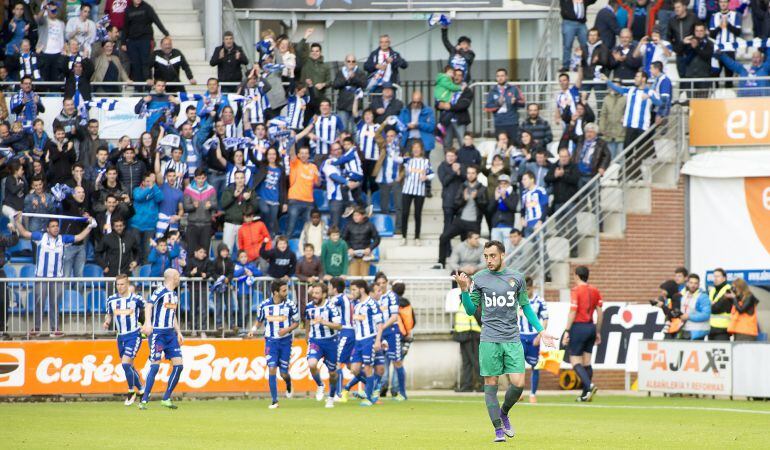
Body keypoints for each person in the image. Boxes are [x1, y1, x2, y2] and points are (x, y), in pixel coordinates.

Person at [453, 241, 554, 442]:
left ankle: (504, 413)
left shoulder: (516, 278)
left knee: (518, 384)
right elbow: (471, 310)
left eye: (492, 256)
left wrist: (541, 331)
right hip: (489, 339)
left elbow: (525, 307)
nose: (489, 260)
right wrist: (464, 290)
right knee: (491, 383)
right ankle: (498, 430)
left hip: (512, 339)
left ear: (502, 255)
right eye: (486, 256)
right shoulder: (480, 278)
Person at [16, 214, 93, 337]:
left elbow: (78, 237)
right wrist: (17, 222)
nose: (55, 228)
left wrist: (90, 226)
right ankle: (36, 329)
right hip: (41, 277)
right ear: (47, 228)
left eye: (57, 226)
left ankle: (55, 329)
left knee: (55, 303)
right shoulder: (40, 237)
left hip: (57, 278)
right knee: (39, 303)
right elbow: (25, 233)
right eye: (52, 226)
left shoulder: (63, 239)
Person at [248, 279, 299, 409]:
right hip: (271, 341)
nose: (286, 292)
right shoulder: (264, 305)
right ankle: (275, 401)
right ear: (276, 292)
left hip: (286, 341)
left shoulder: (290, 305)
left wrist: (286, 330)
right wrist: (253, 330)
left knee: (283, 373)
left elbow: (296, 322)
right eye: (284, 290)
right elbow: (259, 321)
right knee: (271, 368)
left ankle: (288, 383)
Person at [139, 268, 184, 410]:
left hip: (170, 335)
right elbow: (148, 305)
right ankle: (144, 400)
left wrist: (178, 331)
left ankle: (166, 398)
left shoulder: (174, 295)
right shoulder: (160, 291)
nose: (179, 278)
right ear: (172, 278)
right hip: (158, 334)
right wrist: (147, 323)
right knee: (155, 365)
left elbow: (172, 314)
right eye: (178, 276)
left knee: (179, 365)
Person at [603, 71, 661, 179]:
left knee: (640, 153)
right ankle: (629, 174)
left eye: (637, 76)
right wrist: (607, 81)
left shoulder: (650, 91)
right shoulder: (631, 90)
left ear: (643, 79)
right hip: (630, 126)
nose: (635, 78)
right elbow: (618, 89)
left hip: (642, 127)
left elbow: (660, 103)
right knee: (627, 152)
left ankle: (634, 175)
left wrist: (649, 97)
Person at [102, 275, 145, 406]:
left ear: (127, 284)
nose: (120, 287)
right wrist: (107, 322)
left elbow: (148, 307)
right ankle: (142, 390)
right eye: (118, 284)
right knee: (130, 366)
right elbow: (109, 313)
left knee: (125, 364)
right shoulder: (111, 299)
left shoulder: (136, 299)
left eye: (122, 284)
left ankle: (131, 391)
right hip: (120, 337)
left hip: (134, 334)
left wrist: (146, 323)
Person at [561, 266, 602, 402]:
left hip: (579, 327)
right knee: (587, 362)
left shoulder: (576, 290)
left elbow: (573, 311)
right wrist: (597, 331)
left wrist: (567, 330)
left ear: (577, 276)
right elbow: (600, 312)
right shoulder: (595, 290)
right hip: (591, 326)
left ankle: (589, 386)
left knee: (575, 361)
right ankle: (585, 395)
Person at [340, 279, 383, 406]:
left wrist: (378, 341)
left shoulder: (372, 304)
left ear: (362, 289)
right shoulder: (357, 305)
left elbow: (379, 324)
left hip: (369, 340)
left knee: (368, 368)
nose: (352, 292)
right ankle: (373, 388)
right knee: (354, 369)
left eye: (354, 289)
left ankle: (369, 398)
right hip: (358, 341)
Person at [437, 165, 487, 269]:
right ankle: (441, 263)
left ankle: (469, 267)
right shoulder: (462, 186)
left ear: (476, 174)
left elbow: (485, 206)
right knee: (443, 237)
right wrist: (464, 199)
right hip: (460, 221)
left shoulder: (482, 188)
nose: (470, 175)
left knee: (470, 246)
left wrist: (476, 198)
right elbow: (455, 204)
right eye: (468, 173)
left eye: (473, 173)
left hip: (473, 223)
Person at [304, 282, 342, 408]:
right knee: (312, 364)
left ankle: (331, 397)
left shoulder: (331, 307)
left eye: (317, 293)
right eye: (313, 293)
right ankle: (320, 385)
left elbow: (339, 325)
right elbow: (307, 321)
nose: (314, 295)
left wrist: (324, 322)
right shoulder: (309, 306)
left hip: (331, 342)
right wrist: (307, 335)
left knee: (332, 373)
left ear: (324, 294)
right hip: (315, 341)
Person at [372, 274, 408, 401]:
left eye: (383, 282)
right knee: (377, 363)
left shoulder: (392, 296)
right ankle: (375, 392)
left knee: (397, 361)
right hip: (379, 333)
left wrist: (381, 328)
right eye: (379, 282)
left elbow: (394, 317)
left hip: (391, 332)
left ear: (387, 283)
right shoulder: (375, 298)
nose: (381, 285)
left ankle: (402, 393)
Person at [121, 0, 169, 87]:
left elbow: (156, 20)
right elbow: (125, 27)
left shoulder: (147, 7)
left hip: (145, 40)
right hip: (132, 41)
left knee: (146, 63)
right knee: (135, 65)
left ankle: (148, 88)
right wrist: (123, 42)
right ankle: (138, 89)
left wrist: (166, 33)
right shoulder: (128, 9)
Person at [519, 277, 548, 403]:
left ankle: (532, 394)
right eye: (524, 289)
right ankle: (518, 392)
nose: (526, 291)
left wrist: (540, 336)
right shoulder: (517, 300)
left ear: (533, 287)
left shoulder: (539, 301)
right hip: (520, 336)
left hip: (533, 337)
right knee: (517, 366)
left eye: (528, 289)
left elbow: (545, 319)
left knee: (535, 366)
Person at [400, 141, 434, 245]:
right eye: (414, 147)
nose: (416, 149)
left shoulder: (425, 161)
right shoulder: (407, 160)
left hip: (419, 191)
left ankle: (417, 237)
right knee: (405, 213)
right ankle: (404, 236)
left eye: (418, 147)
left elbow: (432, 174)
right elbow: (397, 160)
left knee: (417, 214)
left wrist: (426, 177)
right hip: (407, 190)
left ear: (421, 149)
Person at [286, 145, 320, 238]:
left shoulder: (313, 167)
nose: (304, 155)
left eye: (306, 153)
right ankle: (283, 250)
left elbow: (318, 183)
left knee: (309, 230)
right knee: (290, 228)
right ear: (298, 155)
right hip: (295, 200)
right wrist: (293, 140)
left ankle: (308, 251)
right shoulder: (295, 163)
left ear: (309, 155)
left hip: (309, 202)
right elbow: (291, 152)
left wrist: (318, 175)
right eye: (302, 153)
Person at [220, 171, 258, 252]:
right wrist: (233, 197)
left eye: (242, 178)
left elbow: (256, 208)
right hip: (230, 224)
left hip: (244, 225)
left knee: (243, 252)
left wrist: (249, 199)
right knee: (226, 251)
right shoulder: (229, 189)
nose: (240, 180)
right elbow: (223, 205)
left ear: (245, 179)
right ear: (234, 179)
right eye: (237, 178)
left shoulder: (250, 191)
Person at [484, 68, 526, 141]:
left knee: (515, 145)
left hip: (512, 122)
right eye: (498, 76)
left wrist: (515, 101)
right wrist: (498, 104)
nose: (500, 78)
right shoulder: (492, 91)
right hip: (499, 123)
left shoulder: (514, 89)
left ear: (506, 77)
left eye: (502, 76)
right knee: (501, 146)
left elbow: (523, 103)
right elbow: (487, 108)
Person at [436, 68, 473, 150]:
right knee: (446, 144)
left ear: (463, 77)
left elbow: (463, 105)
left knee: (463, 143)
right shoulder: (447, 87)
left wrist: (449, 107)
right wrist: (439, 104)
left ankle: (464, 162)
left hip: (459, 120)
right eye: (455, 74)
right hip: (446, 121)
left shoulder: (466, 90)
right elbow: (438, 101)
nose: (457, 77)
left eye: (460, 75)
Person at [183, 168, 217, 256]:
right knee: (191, 251)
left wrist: (211, 205)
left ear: (205, 178)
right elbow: (185, 207)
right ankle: (192, 270)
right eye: (199, 178)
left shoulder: (211, 189)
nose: (201, 180)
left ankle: (204, 270)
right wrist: (193, 206)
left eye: (202, 178)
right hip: (192, 225)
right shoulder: (188, 189)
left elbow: (215, 205)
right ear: (195, 178)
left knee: (204, 252)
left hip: (206, 225)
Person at [559, 0, 597, 72]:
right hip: (569, 22)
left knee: (586, 44)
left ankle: (586, 63)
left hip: (581, 23)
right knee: (567, 45)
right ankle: (566, 65)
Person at [341, 208, 380, 277]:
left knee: (364, 279)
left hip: (365, 257)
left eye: (357, 215)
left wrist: (370, 248)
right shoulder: (348, 225)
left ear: (363, 216)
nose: (355, 217)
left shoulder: (370, 225)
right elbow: (343, 239)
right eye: (354, 216)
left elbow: (377, 239)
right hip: (353, 257)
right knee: (353, 279)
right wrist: (349, 248)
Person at [333, 53, 367, 132]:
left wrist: (354, 77)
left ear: (356, 63)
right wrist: (346, 79)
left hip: (357, 106)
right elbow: (335, 85)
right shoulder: (340, 72)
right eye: (348, 61)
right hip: (343, 106)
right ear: (345, 62)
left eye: (353, 61)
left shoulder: (360, 72)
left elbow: (364, 84)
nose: (351, 63)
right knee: (342, 130)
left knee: (356, 130)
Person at [709, 0, 741, 82]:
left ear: (728, 3)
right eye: (721, 2)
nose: (723, 4)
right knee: (714, 77)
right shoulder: (714, 16)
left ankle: (729, 94)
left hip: (730, 50)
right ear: (718, 3)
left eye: (725, 2)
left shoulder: (735, 15)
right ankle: (714, 94)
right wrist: (720, 26)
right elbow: (712, 35)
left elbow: (738, 32)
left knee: (729, 77)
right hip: (717, 50)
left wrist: (728, 24)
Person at [571, 122, 611, 187]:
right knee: (581, 196)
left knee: (595, 196)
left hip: (592, 175)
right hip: (579, 175)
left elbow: (607, 156)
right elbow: (570, 135)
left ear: (596, 133)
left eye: (591, 132)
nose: (589, 134)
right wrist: (572, 123)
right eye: (587, 132)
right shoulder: (580, 140)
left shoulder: (601, 143)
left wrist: (602, 167)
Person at [35, 2, 66, 84]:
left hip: (58, 53)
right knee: (44, 76)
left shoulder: (61, 23)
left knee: (56, 78)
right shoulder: (44, 20)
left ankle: (55, 94)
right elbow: (38, 19)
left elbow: (63, 38)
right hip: (45, 52)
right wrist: (44, 9)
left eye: (55, 10)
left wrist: (64, 50)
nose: (54, 12)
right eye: (52, 10)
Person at [668, 0, 698, 78]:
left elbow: (699, 31)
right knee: (682, 78)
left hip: (692, 53)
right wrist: (676, 47)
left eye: (678, 7)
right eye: (675, 8)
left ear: (684, 7)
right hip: (680, 54)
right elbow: (669, 37)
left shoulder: (693, 18)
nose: (676, 9)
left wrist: (693, 39)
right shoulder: (672, 21)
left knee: (693, 77)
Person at [546, 148, 580, 215]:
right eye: (561, 156)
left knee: (571, 224)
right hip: (557, 202)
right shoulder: (554, 166)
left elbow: (575, 180)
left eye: (565, 156)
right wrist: (555, 176)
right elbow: (547, 179)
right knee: (559, 224)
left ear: (569, 157)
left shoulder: (574, 166)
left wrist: (563, 175)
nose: (563, 158)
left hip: (570, 201)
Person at [438, 148, 466, 229]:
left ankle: (463, 242)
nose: (450, 158)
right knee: (448, 225)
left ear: (456, 156)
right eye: (448, 156)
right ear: (445, 157)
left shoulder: (461, 166)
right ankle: (446, 242)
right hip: (448, 201)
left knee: (462, 225)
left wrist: (459, 173)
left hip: (460, 200)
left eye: (452, 156)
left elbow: (467, 179)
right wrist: (454, 172)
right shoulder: (442, 166)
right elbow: (444, 182)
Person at [0, 223, 19, 339]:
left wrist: (13, 231)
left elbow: (12, 241)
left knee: (3, 301)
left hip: (0, 272)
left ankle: (2, 329)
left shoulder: (0, 237)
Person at [679, 273, 711, 340]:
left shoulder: (703, 296)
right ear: (687, 283)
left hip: (698, 331)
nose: (693, 285)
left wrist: (688, 316)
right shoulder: (685, 295)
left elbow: (706, 315)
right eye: (691, 283)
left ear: (699, 284)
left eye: (695, 283)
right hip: (686, 329)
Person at [598, 82, 626, 159]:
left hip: (622, 132)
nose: (615, 88)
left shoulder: (626, 98)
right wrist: (602, 128)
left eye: (617, 86)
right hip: (609, 133)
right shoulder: (607, 98)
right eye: (613, 86)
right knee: (610, 158)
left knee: (621, 157)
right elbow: (603, 114)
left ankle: (622, 171)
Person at [519, 171, 548, 237]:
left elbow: (545, 207)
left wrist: (540, 221)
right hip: (528, 225)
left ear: (532, 180)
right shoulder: (524, 193)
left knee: (541, 246)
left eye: (525, 179)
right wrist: (522, 218)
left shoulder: (540, 190)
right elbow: (523, 209)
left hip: (538, 224)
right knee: (529, 246)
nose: (522, 181)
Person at [708, 268, 733, 341]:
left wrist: (711, 305)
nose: (715, 279)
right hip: (711, 328)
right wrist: (712, 305)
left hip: (723, 329)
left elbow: (716, 309)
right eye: (714, 276)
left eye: (718, 276)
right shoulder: (712, 290)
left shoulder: (728, 290)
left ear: (724, 278)